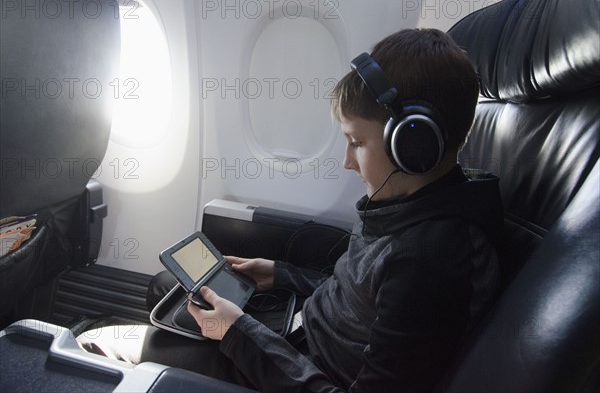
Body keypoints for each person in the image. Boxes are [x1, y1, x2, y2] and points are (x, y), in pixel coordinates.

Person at [77, 28, 503, 392]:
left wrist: (238, 334)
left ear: (412, 144)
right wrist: (279, 274)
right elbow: (358, 297)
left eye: (356, 142)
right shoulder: (411, 206)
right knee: (167, 287)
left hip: (300, 372)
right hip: (300, 340)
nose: (347, 162)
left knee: (96, 345)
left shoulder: (430, 259)